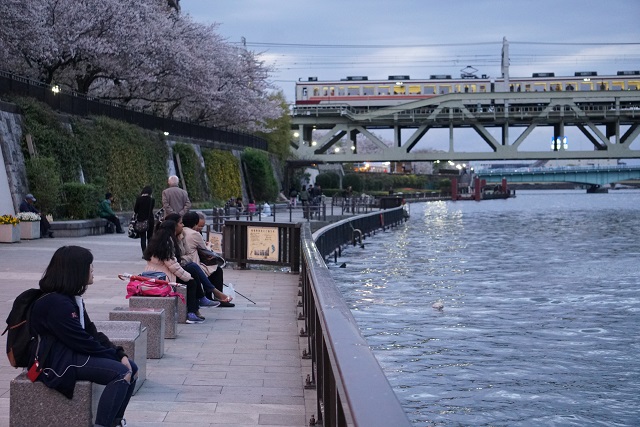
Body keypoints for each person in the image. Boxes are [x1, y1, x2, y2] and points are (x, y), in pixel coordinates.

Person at [30, 246, 137, 427]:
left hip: (70, 352)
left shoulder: (70, 298)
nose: (92, 270)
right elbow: (81, 341)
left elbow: (91, 332)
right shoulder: (57, 303)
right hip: (58, 361)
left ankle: (115, 422)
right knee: (121, 373)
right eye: (89, 266)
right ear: (76, 270)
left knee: (131, 368)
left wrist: (119, 353)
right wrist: (115, 357)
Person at [143, 219, 208, 323]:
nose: (183, 225)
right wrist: (187, 276)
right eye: (181, 223)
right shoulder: (167, 243)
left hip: (159, 272)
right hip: (163, 276)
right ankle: (192, 312)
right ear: (173, 228)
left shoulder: (159, 239)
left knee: (192, 269)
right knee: (191, 282)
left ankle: (200, 301)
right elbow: (173, 265)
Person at [181, 211, 235, 307]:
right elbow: (205, 251)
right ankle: (215, 297)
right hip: (191, 263)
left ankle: (211, 296)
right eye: (199, 225)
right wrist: (209, 246)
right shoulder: (194, 234)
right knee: (216, 270)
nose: (200, 228)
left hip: (185, 262)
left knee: (213, 269)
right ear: (195, 222)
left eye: (202, 226)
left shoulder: (182, 231)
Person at [133, 186, 155, 254]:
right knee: (150, 237)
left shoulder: (139, 199)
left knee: (143, 237)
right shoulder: (152, 200)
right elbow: (151, 209)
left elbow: (135, 210)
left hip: (141, 220)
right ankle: (150, 252)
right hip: (150, 220)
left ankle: (144, 252)